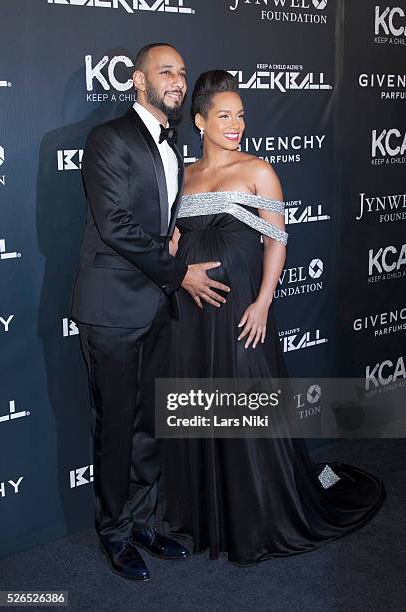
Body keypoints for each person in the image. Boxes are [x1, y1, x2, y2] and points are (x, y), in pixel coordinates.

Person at [162, 70, 386, 565]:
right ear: (199, 121)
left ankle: (257, 516)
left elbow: (276, 240)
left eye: (241, 115)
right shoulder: (183, 174)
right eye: (224, 115)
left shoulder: (258, 170)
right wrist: (177, 265)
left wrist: (264, 302)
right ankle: (207, 515)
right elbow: (173, 237)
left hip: (243, 309)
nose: (236, 124)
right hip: (192, 311)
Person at [71, 46, 230, 581]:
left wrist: (175, 233)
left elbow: (160, 216)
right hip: (113, 308)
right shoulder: (107, 138)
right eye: (167, 72)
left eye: (183, 73)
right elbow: (115, 224)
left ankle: (141, 521)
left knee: (148, 426)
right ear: (137, 81)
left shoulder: (175, 140)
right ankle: (113, 533)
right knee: (115, 427)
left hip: (157, 307)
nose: (179, 81)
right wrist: (178, 271)